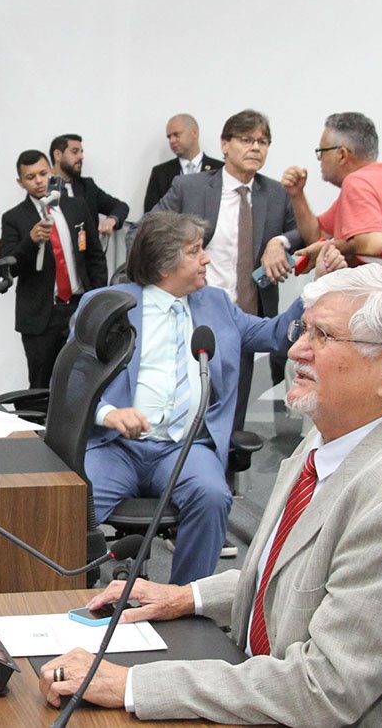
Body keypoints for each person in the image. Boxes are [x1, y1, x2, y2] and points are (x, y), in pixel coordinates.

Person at [41, 264, 382, 727]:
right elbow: (295, 577)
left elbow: (324, 689)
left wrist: (131, 686)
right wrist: (184, 596)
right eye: (303, 330)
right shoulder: (334, 436)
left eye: (323, 336)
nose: (297, 349)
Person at [77, 211, 340, 584]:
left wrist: (316, 286)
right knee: (71, 506)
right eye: (195, 251)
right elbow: (72, 382)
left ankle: (184, 600)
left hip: (185, 447)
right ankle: (67, 593)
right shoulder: (106, 304)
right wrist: (108, 414)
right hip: (115, 446)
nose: (206, 259)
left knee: (213, 495)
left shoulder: (216, 304)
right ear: (163, 265)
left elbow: (276, 335)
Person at [154, 109, 303, 430]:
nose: (255, 148)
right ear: (224, 144)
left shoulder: (275, 193)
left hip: (242, 319)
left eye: (263, 142)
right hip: (192, 313)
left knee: (232, 416)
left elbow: (303, 232)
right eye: (246, 140)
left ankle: (228, 462)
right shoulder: (190, 187)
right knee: (184, 408)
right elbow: (145, 231)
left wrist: (278, 241)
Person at [1, 149, 106, 387]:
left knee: (82, 381)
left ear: (51, 172)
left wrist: (96, 299)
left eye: (43, 173)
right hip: (41, 316)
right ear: (20, 182)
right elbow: (9, 267)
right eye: (30, 177)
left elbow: (95, 256)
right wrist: (30, 241)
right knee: (40, 385)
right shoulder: (14, 218)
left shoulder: (76, 207)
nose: (39, 181)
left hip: (78, 307)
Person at [281, 112, 382, 266]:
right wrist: (297, 195)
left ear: (341, 155)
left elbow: (371, 243)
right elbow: (316, 236)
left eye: (322, 151)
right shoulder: (376, 180)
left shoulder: (357, 182)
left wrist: (327, 247)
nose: (320, 158)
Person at [50, 133, 130, 236]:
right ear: (58, 155)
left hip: (88, 245)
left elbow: (121, 206)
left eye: (81, 152)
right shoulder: (44, 188)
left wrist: (111, 219)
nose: (81, 157)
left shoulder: (87, 186)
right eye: (75, 152)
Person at [142, 113, 224, 213]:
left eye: (176, 135)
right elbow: (150, 214)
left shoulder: (220, 169)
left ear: (194, 133)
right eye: (169, 137)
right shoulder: (160, 173)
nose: (172, 141)